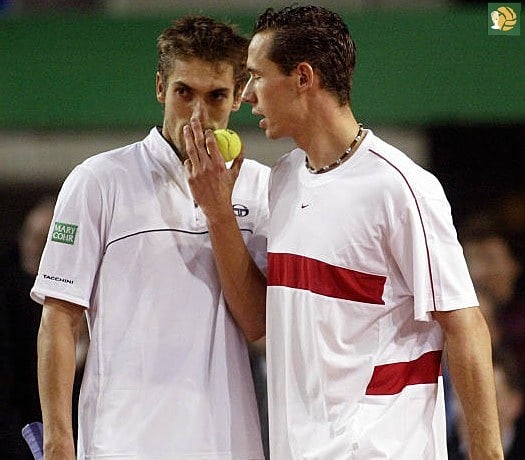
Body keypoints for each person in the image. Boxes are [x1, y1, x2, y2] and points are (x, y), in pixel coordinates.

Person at [241, 5, 503, 459]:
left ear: (303, 77)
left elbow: (465, 327)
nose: (246, 94)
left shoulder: (401, 187)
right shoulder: (281, 179)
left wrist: (487, 454)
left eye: (256, 76)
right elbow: (259, 320)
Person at [32, 16, 269, 460]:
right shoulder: (98, 180)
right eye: (184, 92)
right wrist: (58, 443)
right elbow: (59, 318)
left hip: (228, 447)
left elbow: (259, 324)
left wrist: (219, 212)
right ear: (161, 88)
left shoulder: (264, 189)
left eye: (216, 96)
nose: (197, 115)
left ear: (239, 96)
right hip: (121, 445)